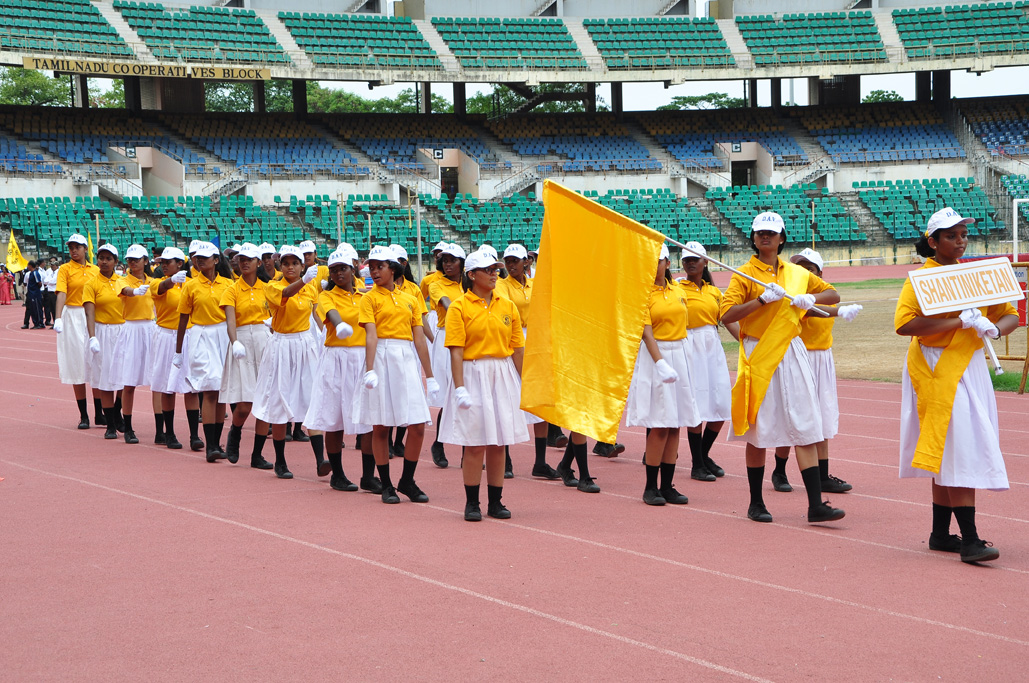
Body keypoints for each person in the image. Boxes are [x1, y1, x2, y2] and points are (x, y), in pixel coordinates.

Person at [895, 207, 1016, 564]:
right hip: (936, 367)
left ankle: (940, 534)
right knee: (960, 446)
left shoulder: (977, 275)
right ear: (932, 242)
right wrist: (955, 322)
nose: (960, 241)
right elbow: (905, 325)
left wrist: (993, 329)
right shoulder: (920, 279)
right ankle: (971, 540)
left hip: (971, 366)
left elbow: (1009, 313)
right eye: (951, 235)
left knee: (953, 446)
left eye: (963, 235)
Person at [720, 212, 845, 525]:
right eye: (760, 233)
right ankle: (756, 502)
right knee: (758, 430)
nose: (766, 238)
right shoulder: (744, 274)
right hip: (760, 352)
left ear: (781, 238)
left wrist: (807, 298)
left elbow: (832, 294)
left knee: (805, 423)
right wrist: (761, 300)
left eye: (771, 233)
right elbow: (727, 315)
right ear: (753, 237)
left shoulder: (795, 272)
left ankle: (816, 505)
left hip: (791, 351)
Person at [440, 250, 528, 521]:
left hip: (501, 373)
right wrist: (459, 387)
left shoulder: (507, 305)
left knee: (499, 442)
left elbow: (517, 349)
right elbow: (456, 350)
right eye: (488, 270)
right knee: (475, 443)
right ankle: (472, 502)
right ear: (472, 275)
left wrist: (524, 382)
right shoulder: (459, 307)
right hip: (473, 371)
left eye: (496, 270)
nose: (494, 274)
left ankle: (496, 501)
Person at [352, 245, 439, 504]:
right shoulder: (369, 298)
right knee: (380, 425)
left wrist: (430, 375)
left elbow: (419, 338)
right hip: (381, 356)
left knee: (417, 425)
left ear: (393, 268)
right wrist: (369, 369)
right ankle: (387, 483)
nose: (374, 271)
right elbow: (370, 334)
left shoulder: (411, 298)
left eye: (380, 266)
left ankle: (407, 480)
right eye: (371, 266)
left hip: (405, 357)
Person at [770, 248, 861, 494]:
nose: (803, 272)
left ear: (819, 273)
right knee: (796, 417)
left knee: (824, 415)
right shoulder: (792, 294)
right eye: (799, 267)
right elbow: (807, 310)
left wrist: (826, 302)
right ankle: (779, 470)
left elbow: (832, 297)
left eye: (809, 269)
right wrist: (837, 311)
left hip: (822, 359)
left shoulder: (823, 291)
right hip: (798, 359)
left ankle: (822, 475)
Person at [625, 245, 699, 505]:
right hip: (657, 355)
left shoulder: (679, 291)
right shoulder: (643, 294)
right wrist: (660, 362)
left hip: (679, 353)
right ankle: (650, 487)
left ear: (667, 263)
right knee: (659, 425)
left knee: (675, 423)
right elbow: (646, 332)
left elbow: (685, 325)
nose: (654, 266)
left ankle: (667, 485)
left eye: (658, 261)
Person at [304, 245, 382, 493]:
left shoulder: (366, 295)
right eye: (335, 270)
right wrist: (340, 326)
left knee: (369, 419)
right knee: (334, 418)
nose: (339, 274)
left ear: (353, 269)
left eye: (344, 269)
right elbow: (332, 314)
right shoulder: (327, 296)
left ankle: (368, 476)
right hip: (336, 358)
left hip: (362, 358)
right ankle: (337, 474)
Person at [251, 245, 325, 479]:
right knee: (280, 401)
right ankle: (280, 461)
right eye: (286, 263)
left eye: (295, 263)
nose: (290, 267)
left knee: (312, 399)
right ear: (281, 267)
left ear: (302, 265)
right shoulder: (274, 287)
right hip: (282, 345)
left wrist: (324, 333)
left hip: (304, 343)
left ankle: (320, 460)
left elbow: (315, 311)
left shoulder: (310, 287)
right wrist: (303, 280)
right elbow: (286, 295)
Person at [495, 243, 560, 480]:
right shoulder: (501, 286)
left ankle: (540, 461)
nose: (511, 265)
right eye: (508, 261)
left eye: (515, 261)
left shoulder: (535, 285)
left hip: (537, 339)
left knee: (539, 399)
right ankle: (506, 458)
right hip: (514, 337)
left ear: (527, 262)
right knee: (511, 397)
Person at [678, 242, 739, 482]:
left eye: (695, 259)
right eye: (686, 260)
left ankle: (703, 456)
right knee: (696, 405)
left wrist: (746, 342)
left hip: (712, 347)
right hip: (690, 345)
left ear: (705, 262)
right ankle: (697, 464)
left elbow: (727, 319)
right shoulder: (677, 289)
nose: (690, 263)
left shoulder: (714, 292)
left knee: (721, 405)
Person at [174, 241, 233, 463]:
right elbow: (183, 319)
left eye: (205, 257)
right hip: (201, 335)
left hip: (223, 337)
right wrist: (178, 351)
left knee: (220, 391)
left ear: (216, 260)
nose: (200, 261)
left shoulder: (228, 284)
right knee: (209, 389)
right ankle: (211, 446)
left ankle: (216, 443)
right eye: (197, 258)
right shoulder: (190, 285)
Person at [219, 242, 274, 470]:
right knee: (244, 405)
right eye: (241, 259)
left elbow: (275, 316)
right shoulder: (231, 289)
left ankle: (257, 454)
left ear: (258, 262)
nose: (243, 263)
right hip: (242, 341)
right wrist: (235, 342)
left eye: (249, 260)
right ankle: (236, 431)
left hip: (264, 341)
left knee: (265, 401)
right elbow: (230, 321)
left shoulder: (268, 288)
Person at [385, 243, 434, 461]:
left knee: (407, 394)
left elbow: (421, 319)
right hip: (386, 349)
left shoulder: (413, 290)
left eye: (401, 262)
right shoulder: (375, 291)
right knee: (387, 394)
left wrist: (433, 340)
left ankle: (398, 442)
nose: (398, 266)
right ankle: (385, 441)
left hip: (408, 347)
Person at [149, 247, 197, 450]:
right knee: (167, 387)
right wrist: (172, 280)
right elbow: (161, 289)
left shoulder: (191, 284)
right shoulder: (157, 282)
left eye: (169, 262)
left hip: (189, 335)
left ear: (180, 263)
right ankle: (169, 433)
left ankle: (194, 435)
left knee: (191, 387)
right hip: (167, 335)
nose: (164, 265)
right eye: (162, 262)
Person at [54, 234, 101, 429]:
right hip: (72, 315)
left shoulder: (96, 270)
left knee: (96, 363)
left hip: (92, 315)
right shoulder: (65, 269)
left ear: (85, 249)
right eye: (71, 247)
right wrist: (58, 317)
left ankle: (100, 413)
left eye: (77, 247)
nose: (74, 250)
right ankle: (84, 415)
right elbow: (62, 293)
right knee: (76, 364)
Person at [111, 245, 155, 445]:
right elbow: (125, 291)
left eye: (137, 259)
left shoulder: (154, 282)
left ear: (146, 261)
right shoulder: (122, 279)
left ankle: (163, 429)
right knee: (129, 382)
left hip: (150, 328)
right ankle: (128, 427)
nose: (133, 262)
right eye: (129, 259)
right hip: (131, 329)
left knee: (158, 380)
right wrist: (135, 291)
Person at [427, 242, 466, 468]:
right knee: (450, 395)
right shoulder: (436, 284)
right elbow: (448, 305)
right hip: (446, 338)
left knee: (467, 393)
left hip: (469, 336)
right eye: (445, 260)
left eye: (452, 260)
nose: (448, 264)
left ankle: (466, 450)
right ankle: (439, 443)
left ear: (462, 262)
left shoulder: (469, 283)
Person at [83, 244, 127, 440]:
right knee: (106, 378)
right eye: (101, 257)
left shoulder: (122, 282)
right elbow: (89, 311)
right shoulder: (91, 283)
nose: (104, 261)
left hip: (122, 331)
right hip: (102, 331)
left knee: (126, 377)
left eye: (109, 258)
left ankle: (117, 410)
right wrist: (92, 336)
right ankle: (110, 424)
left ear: (115, 262)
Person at [21, 261, 45, 329]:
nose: (27, 267)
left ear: (30, 266)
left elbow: (39, 283)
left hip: (35, 294)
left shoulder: (35, 273)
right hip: (31, 294)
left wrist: (35, 291)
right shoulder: (30, 273)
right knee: (33, 309)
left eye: (28, 265)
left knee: (37, 309)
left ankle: (40, 323)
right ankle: (36, 323)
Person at [42, 257, 58, 326]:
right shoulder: (51, 272)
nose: (51, 266)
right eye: (51, 265)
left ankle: (56, 322)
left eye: (53, 265)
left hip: (55, 292)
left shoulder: (58, 272)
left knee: (55, 308)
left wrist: (50, 282)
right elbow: (45, 281)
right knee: (52, 309)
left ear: (56, 266)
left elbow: (54, 281)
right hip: (50, 292)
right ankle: (54, 322)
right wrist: (50, 282)